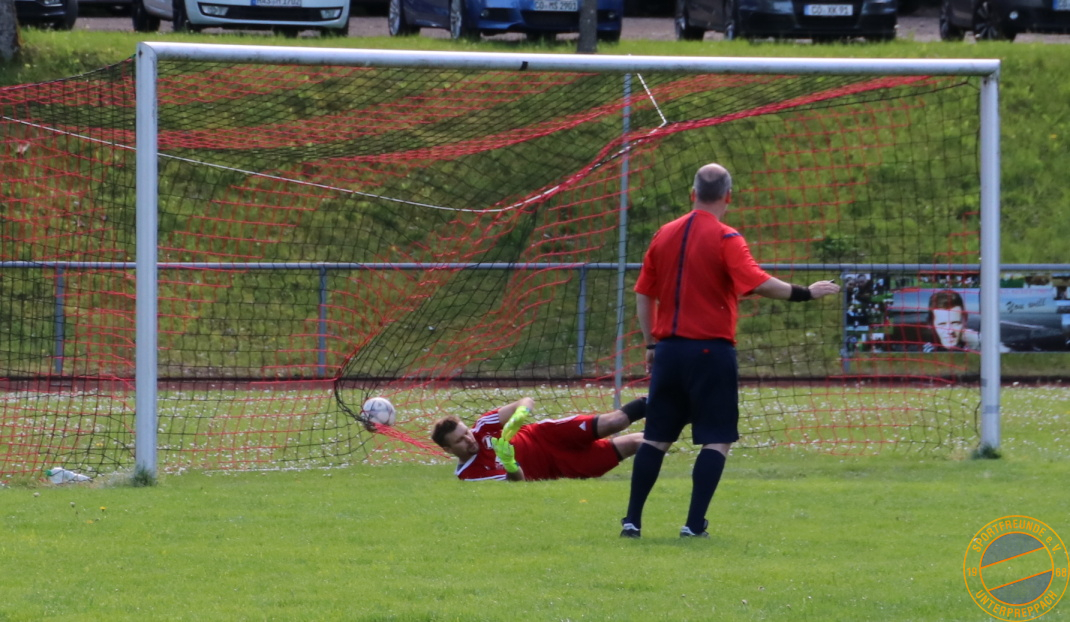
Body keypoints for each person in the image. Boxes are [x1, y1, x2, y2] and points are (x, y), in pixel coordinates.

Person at [620, 163, 840, 539]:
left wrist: (652, 343)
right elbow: (760, 282)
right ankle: (693, 525)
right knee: (717, 438)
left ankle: (632, 521)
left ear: (692, 194)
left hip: (668, 352)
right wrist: (807, 292)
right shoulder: (726, 237)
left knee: (656, 437)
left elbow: (644, 293)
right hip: (710, 352)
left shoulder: (663, 234)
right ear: (728, 196)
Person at [431, 396, 648, 482]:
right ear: (448, 449)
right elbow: (518, 482)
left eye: (466, 432)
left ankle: (659, 397)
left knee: (616, 422)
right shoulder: (470, 474)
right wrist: (509, 463)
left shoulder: (483, 426)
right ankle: (665, 431)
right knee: (638, 443)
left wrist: (520, 414)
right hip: (560, 468)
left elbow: (526, 400)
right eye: (460, 440)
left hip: (549, 435)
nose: (469, 439)